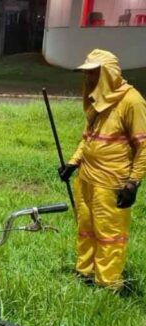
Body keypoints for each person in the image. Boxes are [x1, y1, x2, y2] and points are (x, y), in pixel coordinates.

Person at [58, 49, 146, 291]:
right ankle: (85, 272)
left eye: (93, 74)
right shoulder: (98, 101)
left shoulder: (132, 101)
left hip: (111, 181)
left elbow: (143, 145)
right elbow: (89, 137)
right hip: (86, 177)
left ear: (107, 74)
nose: (88, 79)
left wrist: (133, 182)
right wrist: (73, 163)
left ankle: (108, 285)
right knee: (85, 228)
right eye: (86, 74)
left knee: (109, 234)